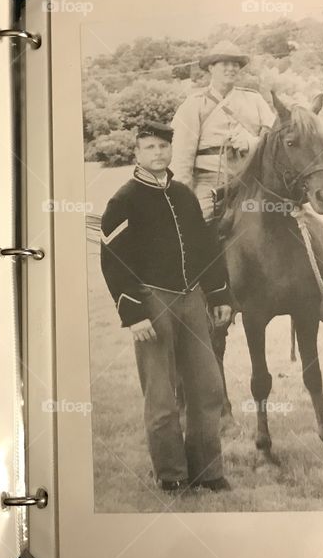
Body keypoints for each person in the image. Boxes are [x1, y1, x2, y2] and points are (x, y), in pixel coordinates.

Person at [99, 120, 232, 493]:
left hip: (193, 300)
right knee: (161, 396)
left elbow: (206, 247)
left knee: (207, 388)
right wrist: (133, 314)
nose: (158, 153)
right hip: (152, 302)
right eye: (150, 147)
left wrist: (219, 295)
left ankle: (208, 471)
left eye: (163, 146)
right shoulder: (124, 200)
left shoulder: (184, 194)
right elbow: (113, 261)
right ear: (136, 154)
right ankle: (172, 475)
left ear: (171, 150)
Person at [169, 40, 274, 219]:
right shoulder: (194, 104)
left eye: (235, 64)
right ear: (211, 67)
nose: (231, 68)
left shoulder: (254, 99)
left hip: (252, 181)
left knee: (293, 217)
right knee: (196, 225)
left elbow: (274, 141)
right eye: (225, 63)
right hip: (209, 183)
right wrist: (183, 197)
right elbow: (181, 157)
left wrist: (253, 143)